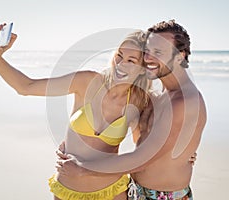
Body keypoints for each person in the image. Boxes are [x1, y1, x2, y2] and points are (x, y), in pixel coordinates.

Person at [0, 25, 152, 200]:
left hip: (113, 191)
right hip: (67, 191)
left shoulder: (139, 102)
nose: (120, 64)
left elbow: (139, 156)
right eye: (119, 55)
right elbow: (26, 87)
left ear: (142, 68)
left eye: (131, 60)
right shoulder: (87, 82)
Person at [56, 19, 207, 200]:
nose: (149, 58)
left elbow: (142, 158)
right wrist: (75, 146)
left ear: (179, 56)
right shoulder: (155, 97)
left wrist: (82, 168)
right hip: (134, 190)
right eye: (148, 52)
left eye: (158, 52)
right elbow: (141, 140)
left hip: (165, 196)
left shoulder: (186, 101)